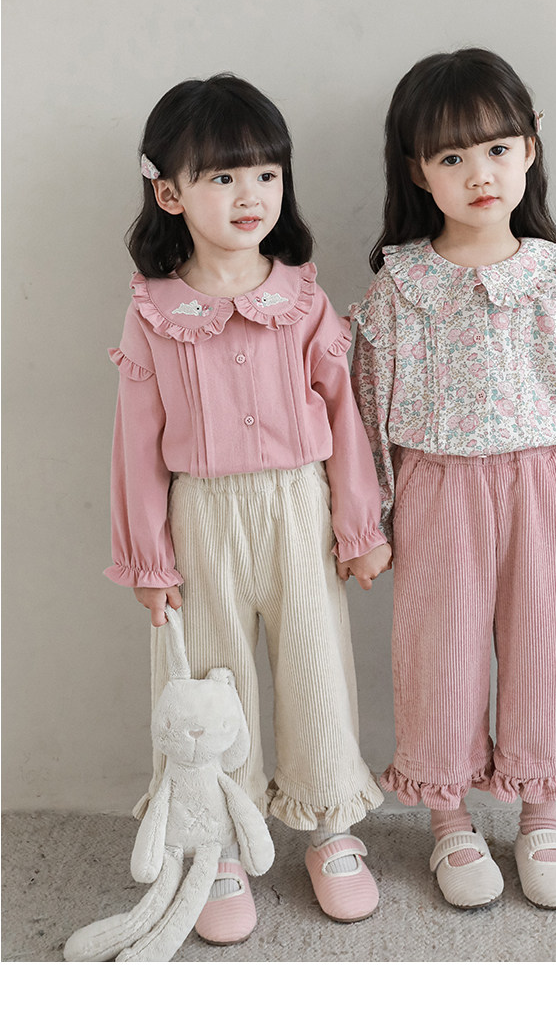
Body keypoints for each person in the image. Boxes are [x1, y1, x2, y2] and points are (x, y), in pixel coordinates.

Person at [105, 73, 391, 942]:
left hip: (298, 507)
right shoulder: (154, 312)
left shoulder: (302, 298)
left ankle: (330, 826)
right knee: (210, 679)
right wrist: (147, 558)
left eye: (265, 173)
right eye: (222, 176)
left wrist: (359, 526)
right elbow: (135, 442)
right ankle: (219, 837)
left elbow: (345, 417)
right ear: (171, 193)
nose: (249, 194)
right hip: (201, 517)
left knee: (315, 666)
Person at [350, 48, 556, 910]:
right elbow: (366, 409)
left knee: (544, 648)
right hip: (436, 490)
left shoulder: (554, 276)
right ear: (418, 171)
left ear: (530, 148)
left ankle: (541, 812)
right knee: (437, 653)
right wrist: (370, 520)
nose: (480, 173)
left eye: (498, 149)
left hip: (539, 487)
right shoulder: (402, 286)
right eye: (452, 156)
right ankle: (449, 819)